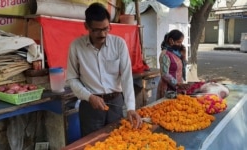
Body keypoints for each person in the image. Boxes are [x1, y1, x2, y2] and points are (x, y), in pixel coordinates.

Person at [66, 2, 142, 137]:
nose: (102, 34)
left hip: (115, 103)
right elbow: (72, 78)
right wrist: (89, 97)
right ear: (86, 27)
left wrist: (130, 107)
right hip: (90, 106)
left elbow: (126, 77)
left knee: (117, 140)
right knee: (93, 142)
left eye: (106, 29)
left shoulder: (119, 44)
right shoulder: (76, 46)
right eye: (96, 30)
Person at [157, 29, 189, 99]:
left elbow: (182, 67)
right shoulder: (165, 54)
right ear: (171, 41)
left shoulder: (177, 53)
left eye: (181, 42)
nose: (180, 45)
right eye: (178, 42)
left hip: (178, 88)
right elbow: (164, 74)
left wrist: (184, 56)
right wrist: (176, 83)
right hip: (168, 89)